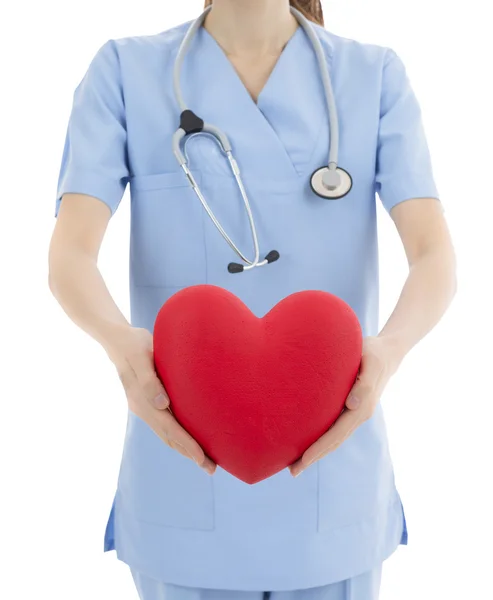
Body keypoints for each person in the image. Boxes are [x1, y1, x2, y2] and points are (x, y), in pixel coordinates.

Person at [48, 0, 457, 598]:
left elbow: (434, 255)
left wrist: (389, 351)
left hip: (333, 481)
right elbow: (70, 254)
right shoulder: (125, 72)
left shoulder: (373, 76)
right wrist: (121, 348)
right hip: (182, 469)